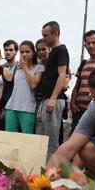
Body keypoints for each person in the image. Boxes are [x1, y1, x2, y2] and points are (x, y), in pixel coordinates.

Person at [36, 21, 70, 158]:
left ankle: (51, 174)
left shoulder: (61, 50)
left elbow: (62, 75)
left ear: (55, 34)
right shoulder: (53, 52)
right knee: (41, 139)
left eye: (46, 35)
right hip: (46, 99)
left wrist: (53, 98)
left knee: (51, 142)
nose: (44, 38)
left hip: (54, 100)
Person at [5, 40, 43, 134]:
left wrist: (25, 68)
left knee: (26, 139)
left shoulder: (39, 68)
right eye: (22, 52)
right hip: (11, 107)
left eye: (27, 52)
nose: (24, 54)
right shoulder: (17, 67)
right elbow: (9, 79)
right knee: (9, 137)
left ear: (33, 53)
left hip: (28, 109)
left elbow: (33, 84)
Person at [70, 30, 95, 131]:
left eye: (94, 42)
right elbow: (77, 85)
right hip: (79, 111)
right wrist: (72, 103)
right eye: (88, 43)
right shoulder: (83, 63)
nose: (91, 46)